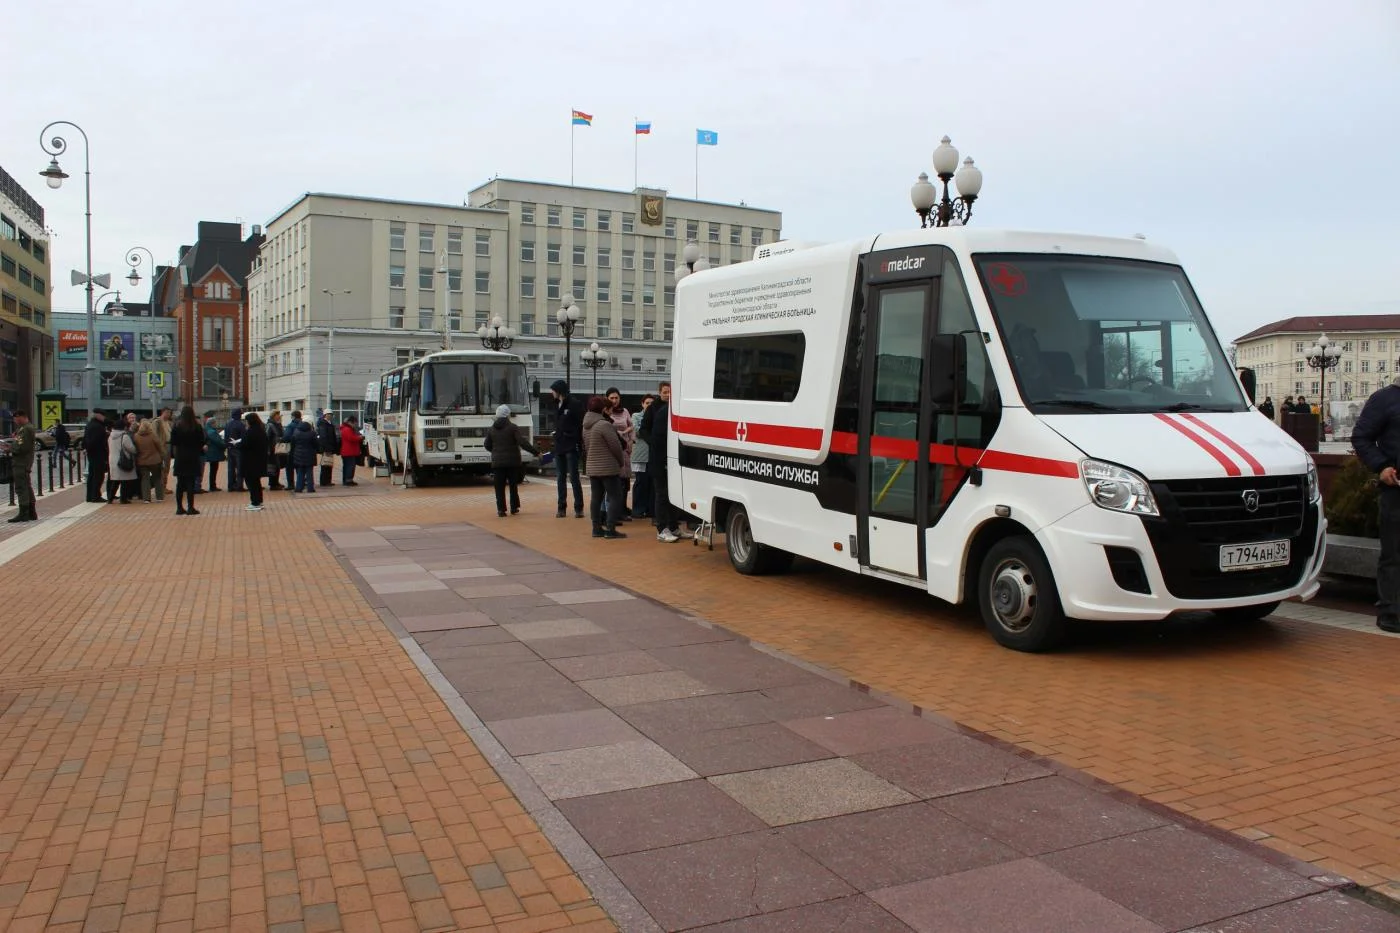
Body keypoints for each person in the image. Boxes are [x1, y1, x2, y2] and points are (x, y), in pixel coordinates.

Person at [1348, 372, 1400, 633]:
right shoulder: (1384, 399)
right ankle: (1391, 612)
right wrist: (1381, 467)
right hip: (1396, 490)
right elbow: (1361, 437)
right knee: (1394, 553)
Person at [642, 381, 683, 542]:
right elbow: (643, 429)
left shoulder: (675, 408)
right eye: (665, 392)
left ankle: (674, 526)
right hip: (658, 456)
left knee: (673, 492)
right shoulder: (653, 409)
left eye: (670, 392)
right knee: (662, 493)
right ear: (660, 392)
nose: (668, 395)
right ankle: (662, 528)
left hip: (673, 457)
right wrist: (652, 442)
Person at [582, 396, 627, 539]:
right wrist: (621, 462)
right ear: (602, 409)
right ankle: (610, 528)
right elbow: (616, 447)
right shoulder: (604, 425)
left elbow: (586, 446)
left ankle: (596, 528)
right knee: (615, 496)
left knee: (596, 498)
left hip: (593, 466)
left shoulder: (586, 425)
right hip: (607, 466)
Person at [484, 404, 538, 517]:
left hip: (497, 463)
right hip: (512, 462)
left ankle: (501, 510)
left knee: (499, 487)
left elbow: (487, 445)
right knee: (513, 486)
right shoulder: (513, 427)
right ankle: (514, 507)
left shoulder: (492, 429)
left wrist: (495, 452)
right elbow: (522, 443)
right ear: (508, 415)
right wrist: (536, 452)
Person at [170, 406, 206, 515]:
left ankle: (179, 508)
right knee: (191, 482)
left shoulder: (176, 426)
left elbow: (173, 442)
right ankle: (191, 507)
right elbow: (201, 441)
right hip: (193, 456)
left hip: (180, 456)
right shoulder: (197, 426)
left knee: (180, 483)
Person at [605, 387, 634, 522]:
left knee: (625, 482)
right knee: (615, 483)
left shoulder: (625, 411)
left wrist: (628, 436)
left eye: (616, 398)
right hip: (612, 450)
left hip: (625, 450)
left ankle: (622, 508)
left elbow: (631, 425)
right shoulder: (606, 412)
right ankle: (613, 512)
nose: (614, 401)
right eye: (611, 398)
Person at [7, 411, 37, 523]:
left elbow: (21, 447)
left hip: (21, 462)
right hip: (23, 462)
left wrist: (10, 448)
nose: (15, 421)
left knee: (21, 487)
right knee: (27, 486)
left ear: (21, 417)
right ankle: (31, 512)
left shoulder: (25, 429)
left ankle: (24, 513)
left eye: (16, 418)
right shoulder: (24, 428)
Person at [630, 394, 654, 518]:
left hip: (653, 455)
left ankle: (650, 509)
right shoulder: (636, 416)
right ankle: (638, 509)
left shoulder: (656, 416)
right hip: (640, 455)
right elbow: (638, 431)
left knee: (651, 483)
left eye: (651, 403)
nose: (649, 405)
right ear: (642, 404)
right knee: (640, 482)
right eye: (647, 403)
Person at [241, 411, 269, 511]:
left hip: (250, 461)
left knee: (251, 482)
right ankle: (259, 501)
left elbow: (245, 444)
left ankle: (255, 502)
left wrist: (237, 444)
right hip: (259, 460)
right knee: (256, 482)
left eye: (246, 421)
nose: (245, 423)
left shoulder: (251, 432)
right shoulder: (261, 430)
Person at [107, 417, 138, 504]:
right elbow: (131, 448)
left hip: (113, 460)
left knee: (115, 480)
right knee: (125, 481)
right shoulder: (124, 436)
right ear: (124, 427)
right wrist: (135, 450)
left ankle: (110, 498)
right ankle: (123, 498)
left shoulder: (111, 436)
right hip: (123, 460)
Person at [133, 419, 165, 503]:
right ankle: (159, 497)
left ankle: (146, 498)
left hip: (142, 460)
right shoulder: (153, 435)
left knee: (145, 479)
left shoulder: (136, 436)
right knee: (157, 478)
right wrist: (162, 456)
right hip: (155, 460)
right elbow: (160, 447)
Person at [286, 410, 318, 492]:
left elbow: (293, 444)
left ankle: (298, 488)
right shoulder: (312, 433)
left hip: (298, 454)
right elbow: (316, 444)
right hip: (310, 455)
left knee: (300, 472)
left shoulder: (296, 432)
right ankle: (310, 488)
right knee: (309, 472)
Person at [83, 411, 109, 503]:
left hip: (92, 454)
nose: (104, 418)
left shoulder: (90, 424)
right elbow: (96, 442)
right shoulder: (98, 427)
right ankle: (95, 496)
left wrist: (86, 448)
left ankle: (90, 496)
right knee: (98, 476)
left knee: (91, 475)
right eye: (103, 416)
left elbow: (85, 439)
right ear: (98, 415)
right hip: (98, 454)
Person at [201, 415, 226, 492]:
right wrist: (225, 445)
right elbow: (218, 442)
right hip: (214, 453)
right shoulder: (212, 432)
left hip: (211, 453)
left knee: (213, 470)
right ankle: (212, 486)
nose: (216, 424)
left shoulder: (206, 430)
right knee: (214, 470)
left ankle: (212, 485)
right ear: (212, 423)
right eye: (215, 423)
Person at [224, 408, 246, 492]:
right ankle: (239, 486)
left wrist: (227, 446)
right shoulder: (241, 425)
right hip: (238, 449)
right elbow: (243, 438)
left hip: (230, 448)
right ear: (239, 415)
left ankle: (230, 486)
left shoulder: (228, 424)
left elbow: (226, 437)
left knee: (231, 468)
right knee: (240, 468)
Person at [339, 415, 363, 487]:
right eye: (355, 423)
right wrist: (360, 437)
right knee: (350, 466)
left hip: (347, 451)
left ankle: (347, 479)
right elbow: (351, 438)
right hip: (349, 451)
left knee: (347, 466)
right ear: (350, 422)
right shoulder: (347, 429)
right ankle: (348, 480)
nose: (355, 425)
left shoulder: (345, 428)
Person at [316, 410, 339, 488]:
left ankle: (328, 481)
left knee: (329, 464)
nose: (330, 416)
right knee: (325, 464)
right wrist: (327, 448)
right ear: (325, 415)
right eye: (329, 414)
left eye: (331, 414)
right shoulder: (323, 424)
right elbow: (324, 437)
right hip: (326, 448)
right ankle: (324, 481)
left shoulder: (329, 424)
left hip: (330, 447)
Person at [266, 410, 287, 490]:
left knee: (278, 466)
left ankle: (276, 482)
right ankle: (273, 484)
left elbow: (282, 434)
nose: (279, 416)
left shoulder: (278, 424)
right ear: (273, 416)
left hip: (279, 448)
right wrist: (268, 449)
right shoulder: (270, 425)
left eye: (279, 415)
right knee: (273, 466)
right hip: (272, 449)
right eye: (277, 415)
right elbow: (267, 437)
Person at [156, 408, 174, 494]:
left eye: (170, 413)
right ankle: (161, 487)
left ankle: (164, 485)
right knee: (162, 467)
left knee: (167, 467)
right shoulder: (157, 422)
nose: (169, 415)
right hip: (162, 445)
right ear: (163, 413)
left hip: (169, 445)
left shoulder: (169, 423)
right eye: (167, 413)